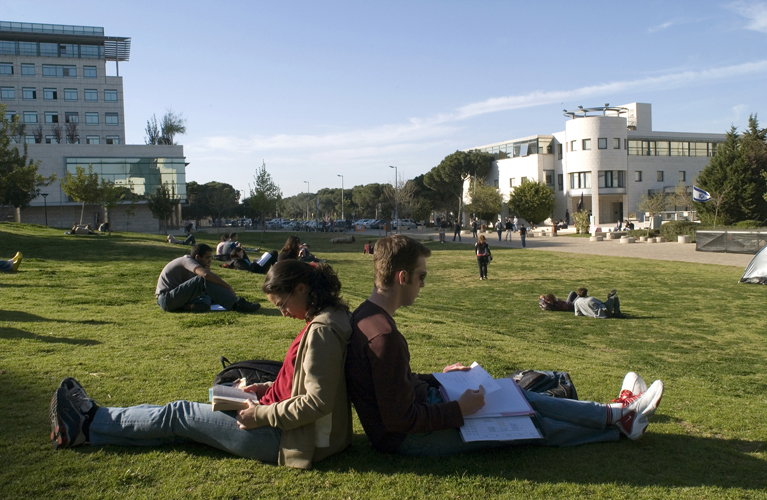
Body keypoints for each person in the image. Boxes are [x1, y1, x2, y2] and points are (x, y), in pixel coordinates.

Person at [345, 235, 664, 458]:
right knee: (527, 422)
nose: (424, 284)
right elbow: (400, 420)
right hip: (411, 439)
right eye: (421, 277)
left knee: (516, 394)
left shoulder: (368, 316)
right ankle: (620, 422)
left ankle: (616, 414)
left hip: (420, 410)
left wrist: (439, 379)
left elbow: (392, 383)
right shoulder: (383, 335)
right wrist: (460, 409)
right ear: (402, 277)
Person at [49, 260, 353, 470]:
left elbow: (317, 401)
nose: (283, 314)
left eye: (282, 304)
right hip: (284, 425)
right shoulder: (328, 318)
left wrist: (260, 413)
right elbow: (306, 381)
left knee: (179, 413)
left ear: (301, 288)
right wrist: (265, 388)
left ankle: (89, 421)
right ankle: (89, 427)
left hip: (285, 438)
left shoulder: (322, 331)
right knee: (186, 420)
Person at [155, 243, 261, 313]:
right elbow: (206, 276)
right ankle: (237, 304)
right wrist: (228, 287)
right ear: (197, 257)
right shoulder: (187, 260)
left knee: (205, 302)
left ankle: (187, 307)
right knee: (203, 279)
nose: (209, 261)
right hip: (166, 299)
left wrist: (208, 271)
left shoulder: (194, 266)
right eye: (207, 258)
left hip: (178, 297)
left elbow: (204, 286)